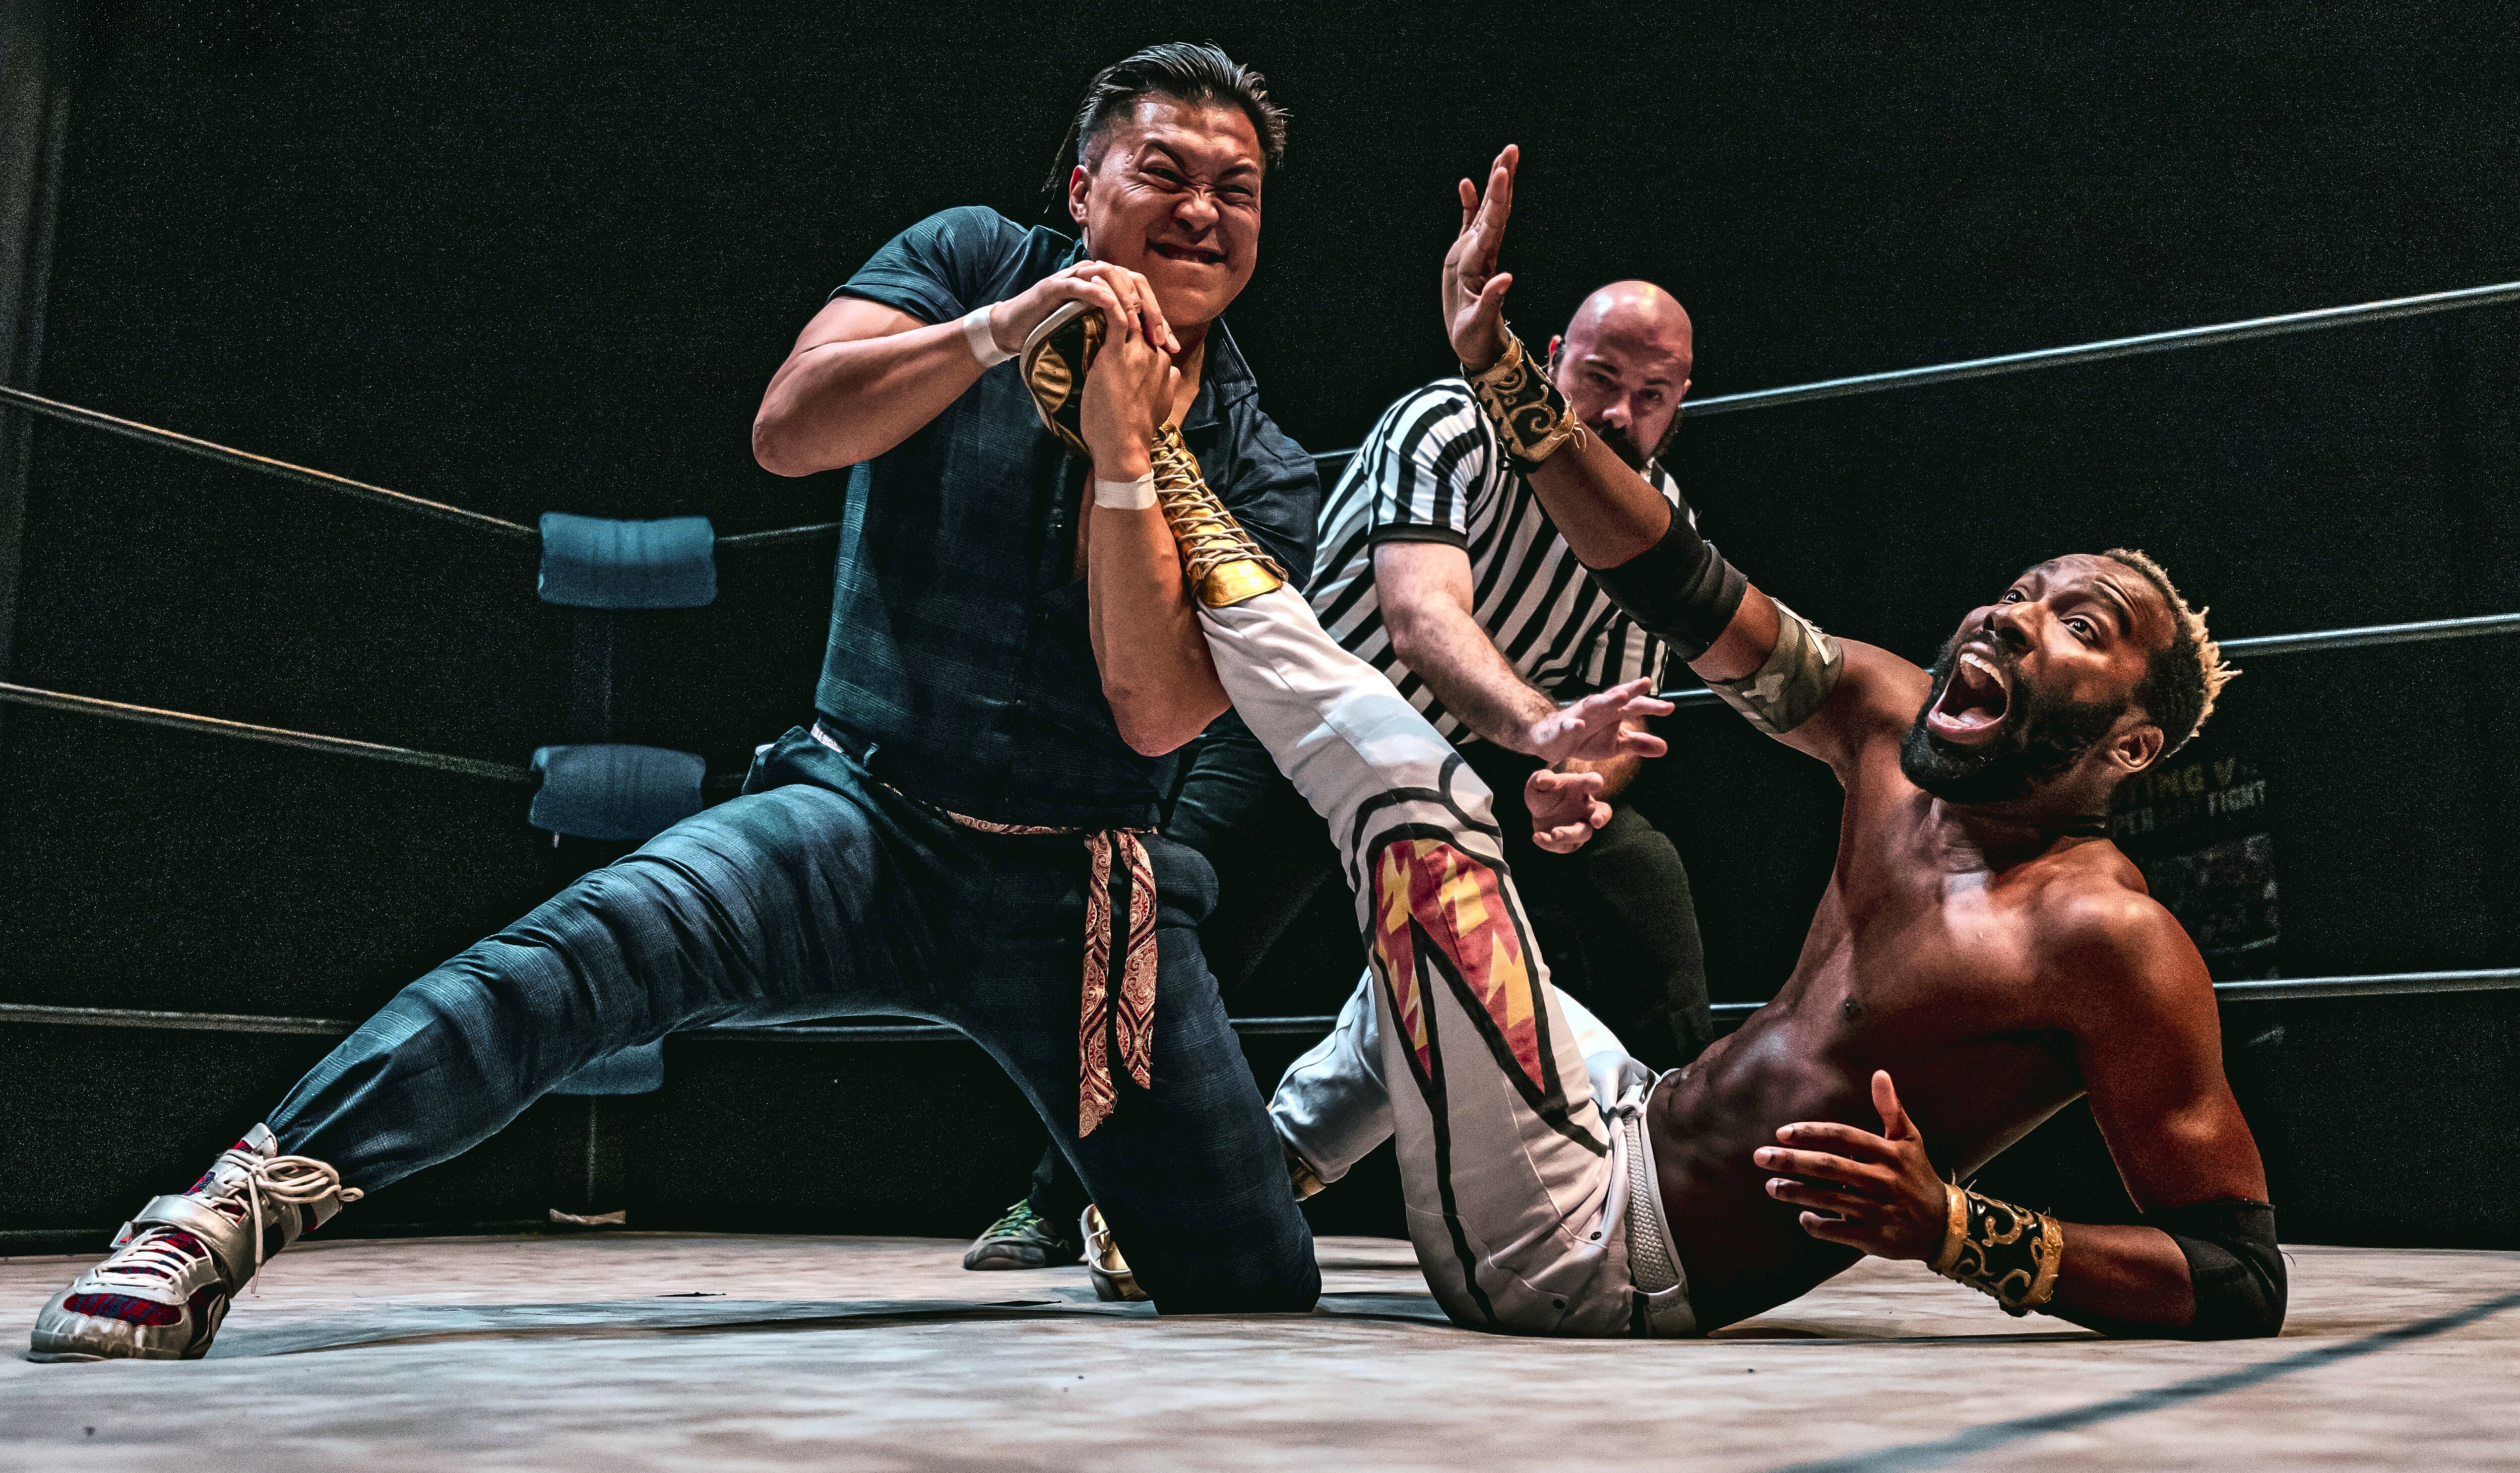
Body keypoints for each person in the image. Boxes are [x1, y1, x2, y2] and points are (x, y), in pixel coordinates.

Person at [30, 41, 1325, 1362]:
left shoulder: (1258, 460)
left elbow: (1155, 710)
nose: (1204, 211)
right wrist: (1007, 334)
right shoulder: (965, 261)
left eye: (1240, 189)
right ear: (1083, 183)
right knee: (578, 951)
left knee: (1254, 1279)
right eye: (1165, 172)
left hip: (1080, 902)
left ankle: (1126, 1195)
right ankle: (218, 1213)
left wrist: (1131, 448)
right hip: (854, 816)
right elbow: (792, 429)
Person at [1160, 146, 2285, 1338]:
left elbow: (2236, 1275)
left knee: (1421, 806)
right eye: (2022, 588)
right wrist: (1497, 371)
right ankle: (1220, 1202)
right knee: (1456, 972)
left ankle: (1157, 472)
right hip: (1635, 1113)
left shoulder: (2107, 937)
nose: (2012, 613)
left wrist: (1960, 1231)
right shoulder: (1887, 721)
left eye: (2079, 624)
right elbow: (1684, 589)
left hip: (1599, 1254)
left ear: (2132, 742)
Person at [965, 282, 1717, 1277]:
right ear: (1548, 360)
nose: (1621, 415)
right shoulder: (1447, 424)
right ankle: (1059, 1195)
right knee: (1177, 929)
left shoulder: (1657, 518)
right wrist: (1540, 727)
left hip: (1481, 762)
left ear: (1683, 397)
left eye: (1652, 393)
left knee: (1637, 873)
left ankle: (1695, 1182)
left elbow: (1621, 705)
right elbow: (1420, 618)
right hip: (1309, 722)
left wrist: (1580, 785)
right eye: (1599, 379)